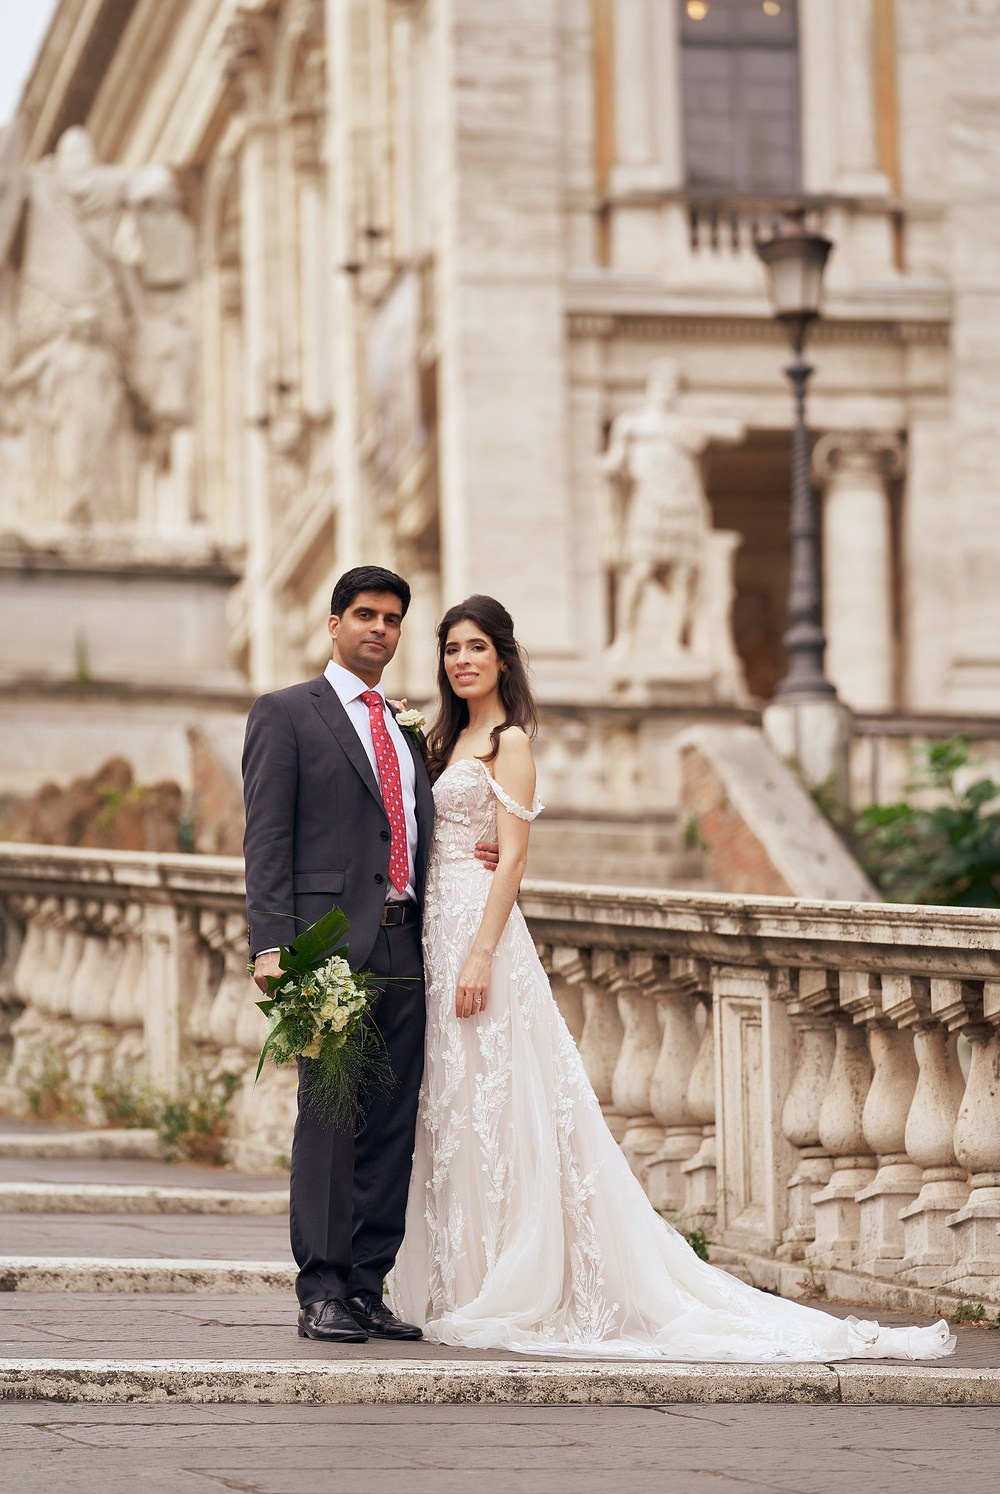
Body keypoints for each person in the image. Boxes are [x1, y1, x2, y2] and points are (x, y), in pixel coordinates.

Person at [389, 595, 955, 1363]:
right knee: (454, 1102)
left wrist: (482, 953)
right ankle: (459, 1271)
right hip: (433, 926)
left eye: (476, 647)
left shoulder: (511, 741)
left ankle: (512, 1276)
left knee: (501, 1098)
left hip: (479, 938)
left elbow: (514, 857)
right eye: (452, 647)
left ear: (502, 658)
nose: (462, 660)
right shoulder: (439, 739)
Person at [242, 564, 495, 1343]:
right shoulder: (286, 714)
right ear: (333, 624)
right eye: (364, 616)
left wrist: (468, 853)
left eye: (391, 619)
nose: (379, 629)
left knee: (392, 1120)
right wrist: (271, 945)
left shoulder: (405, 726)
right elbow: (267, 839)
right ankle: (319, 1288)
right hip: (325, 949)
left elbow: (413, 827)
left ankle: (366, 1284)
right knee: (329, 1115)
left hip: (407, 940)